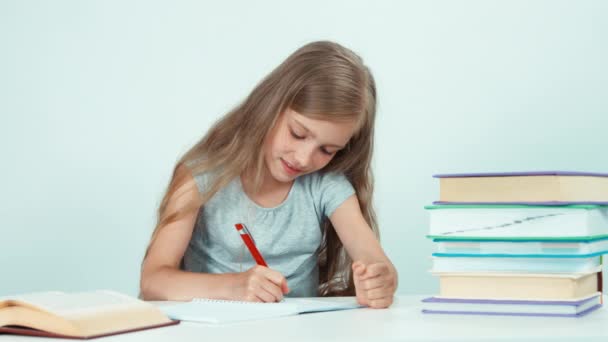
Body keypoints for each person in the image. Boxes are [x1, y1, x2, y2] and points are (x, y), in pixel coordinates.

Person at [140, 41, 398, 308]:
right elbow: (153, 282)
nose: (303, 158)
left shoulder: (326, 186)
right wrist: (234, 287)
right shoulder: (201, 176)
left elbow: (374, 260)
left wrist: (379, 280)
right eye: (297, 133)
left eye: (327, 150)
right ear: (270, 105)